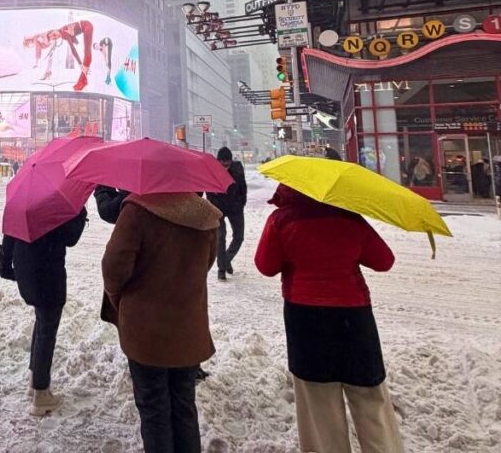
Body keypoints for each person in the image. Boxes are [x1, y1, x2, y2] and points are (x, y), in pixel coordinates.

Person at [255, 184, 403, 453]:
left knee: (318, 400)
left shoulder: (281, 220)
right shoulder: (348, 217)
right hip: (354, 317)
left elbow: (266, 266)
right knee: (369, 395)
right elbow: (384, 260)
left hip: (305, 318)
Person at [101, 192, 221, 453]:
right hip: (188, 329)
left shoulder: (136, 211)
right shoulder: (205, 215)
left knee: (154, 408)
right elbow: (207, 264)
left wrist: (119, 299)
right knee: (184, 406)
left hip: (145, 333)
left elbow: (113, 269)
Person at [0, 208, 88, 416]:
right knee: (47, 330)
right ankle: (41, 394)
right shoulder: (55, 205)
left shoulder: (23, 202)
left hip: (26, 271)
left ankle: (34, 377)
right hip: (48, 275)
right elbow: (70, 237)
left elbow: (10, 232)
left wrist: (5, 263)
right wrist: (79, 213)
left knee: (41, 323)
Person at [206, 147, 247, 281]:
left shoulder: (238, 170)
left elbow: (243, 188)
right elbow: (209, 191)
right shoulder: (212, 172)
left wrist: (241, 202)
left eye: (228, 162)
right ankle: (221, 269)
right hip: (219, 210)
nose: (225, 165)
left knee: (239, 237)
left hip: (235, 208)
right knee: (220, 237)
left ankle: (227, 259)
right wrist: (214, 204)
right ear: (218, 161)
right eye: (223, 162)